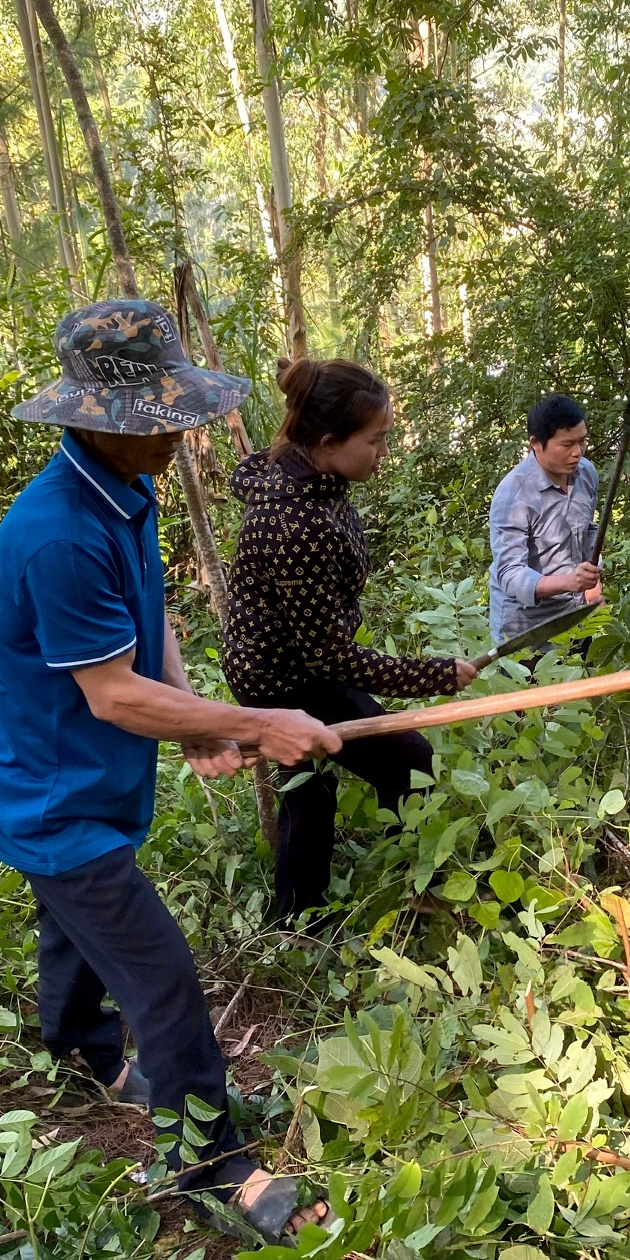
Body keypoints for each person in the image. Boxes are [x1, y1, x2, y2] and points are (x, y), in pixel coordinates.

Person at [0, 298, 339, 1243]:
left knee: (70, 930)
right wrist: (255, 720)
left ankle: (81, 1051)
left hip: (87, 783)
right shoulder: (56, 531)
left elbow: (149, 627)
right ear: (95, 420)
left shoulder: (125, 491)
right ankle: (209, 1163)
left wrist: (197, 723)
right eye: (160, 418)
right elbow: (110, 695)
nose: (180, 432)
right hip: (52, 798)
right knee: (162, 975)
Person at [223, 358, 476, 923]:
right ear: (330, 441)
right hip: (280, 677)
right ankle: (300, 923)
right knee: (381, 768)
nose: (384, 453)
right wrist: (433, 674)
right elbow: (328, 656)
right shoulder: (298, 527)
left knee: (329, 782)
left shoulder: (303, 475)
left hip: (290, 660)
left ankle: (333, 905)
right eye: (376, 440)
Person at [487, 393, 602, 646]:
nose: (578, 452)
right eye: (566, 444)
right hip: (525, 632)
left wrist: (593, 577)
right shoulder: (513, 495)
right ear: (536, 444)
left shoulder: (586, 474)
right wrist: (571, 582)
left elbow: (588, 532)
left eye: (582, 441)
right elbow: (509, 574)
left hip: (575, 619)